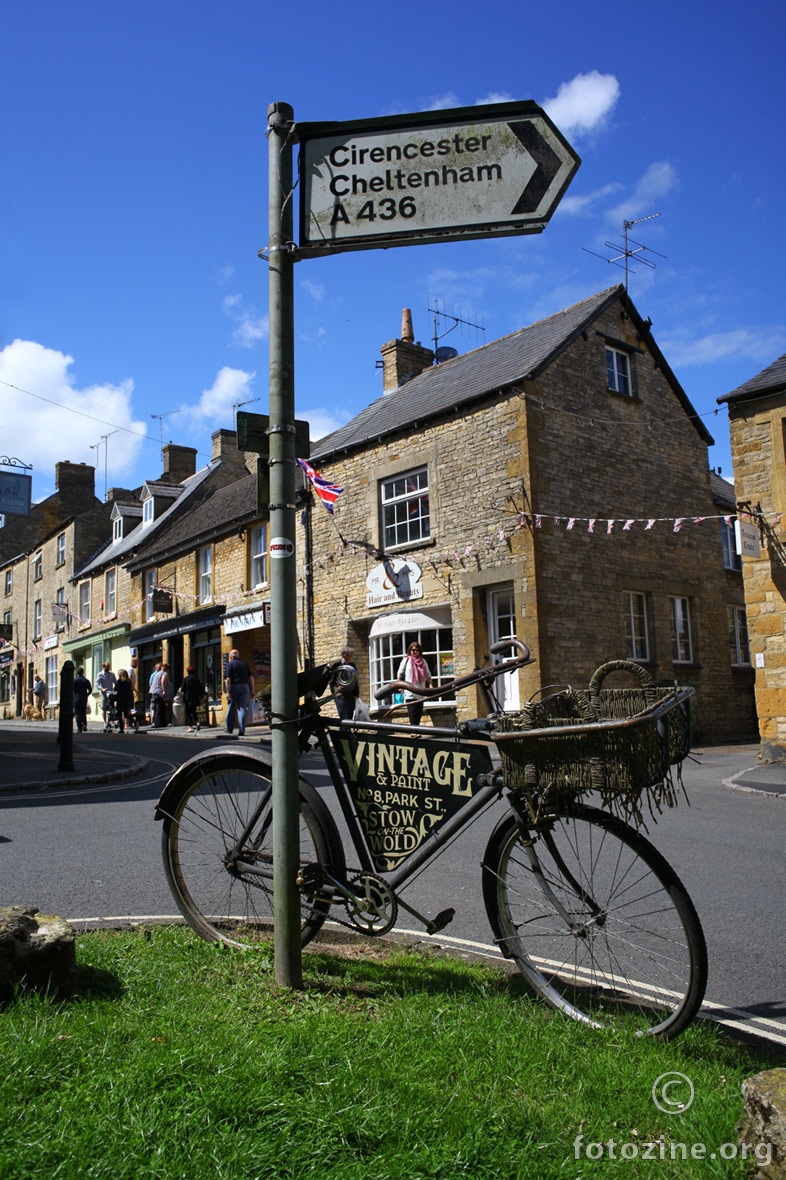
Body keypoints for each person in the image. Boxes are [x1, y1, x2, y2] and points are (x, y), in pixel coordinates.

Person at [397, 641, 432, 726]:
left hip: (420, 691)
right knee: (412, 713)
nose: (414, 652)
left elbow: (428, 674)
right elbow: (400, 674)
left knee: (418, 714)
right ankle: (414, 732)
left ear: (419, 651)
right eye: (412, 650)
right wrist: (399, 686)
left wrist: (431, 685)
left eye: (416, 650)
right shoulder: (406, 660)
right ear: (410, 650)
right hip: (410, 692)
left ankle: (416, 731)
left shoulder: (423, 661)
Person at [224, 648, 255, 737]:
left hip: (234, 686)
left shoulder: (229, 665)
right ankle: (242, 730)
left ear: (230, 657)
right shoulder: (245, 664)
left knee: (231, 707)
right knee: (242, 708)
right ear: (238, 656)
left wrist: (228, 691)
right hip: (245, 687)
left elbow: (228, 679)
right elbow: (251, 678)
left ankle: (229, 728)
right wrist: (252, 690)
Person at [330, 647, 359, 720]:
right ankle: (344, 731)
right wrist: (335, 692)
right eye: (351, 656)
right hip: (341, 694)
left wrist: (356, 694)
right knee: (344, 716)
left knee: (350, 715)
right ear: (345, 656)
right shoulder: (337, 665)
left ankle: (346, 731)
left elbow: (355, 680)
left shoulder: (352, 665)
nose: (352, 658)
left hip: (350, 694)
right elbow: (332, 681)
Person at [180, 665, 206, 732]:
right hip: (195, 697)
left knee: (188, 712)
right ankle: (197, 722)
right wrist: (201, 697)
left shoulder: (185, 679)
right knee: (194, 711)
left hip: (187, 698)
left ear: (188, 672)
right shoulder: (196, 679)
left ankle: (190, 726)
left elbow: (183, 689)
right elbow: (201, 688)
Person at [114, 668, 136, 732]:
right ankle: (133, 721)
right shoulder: (129, 681)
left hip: (120, 699)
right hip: (127, 699)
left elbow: (115, 689)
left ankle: (121, 728)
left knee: (120, 714)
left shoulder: (119, 681)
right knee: (126, 714)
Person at [73, 667, 92, 732]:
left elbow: (71, 690)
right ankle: (84, 724)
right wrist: (87, 695)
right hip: (84, 698)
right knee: (83, 712)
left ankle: (79, 727)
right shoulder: (86, 680)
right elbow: (90, 690)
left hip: (77, 698)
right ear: (82, 672)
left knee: (78, 713)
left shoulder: (74, 680)